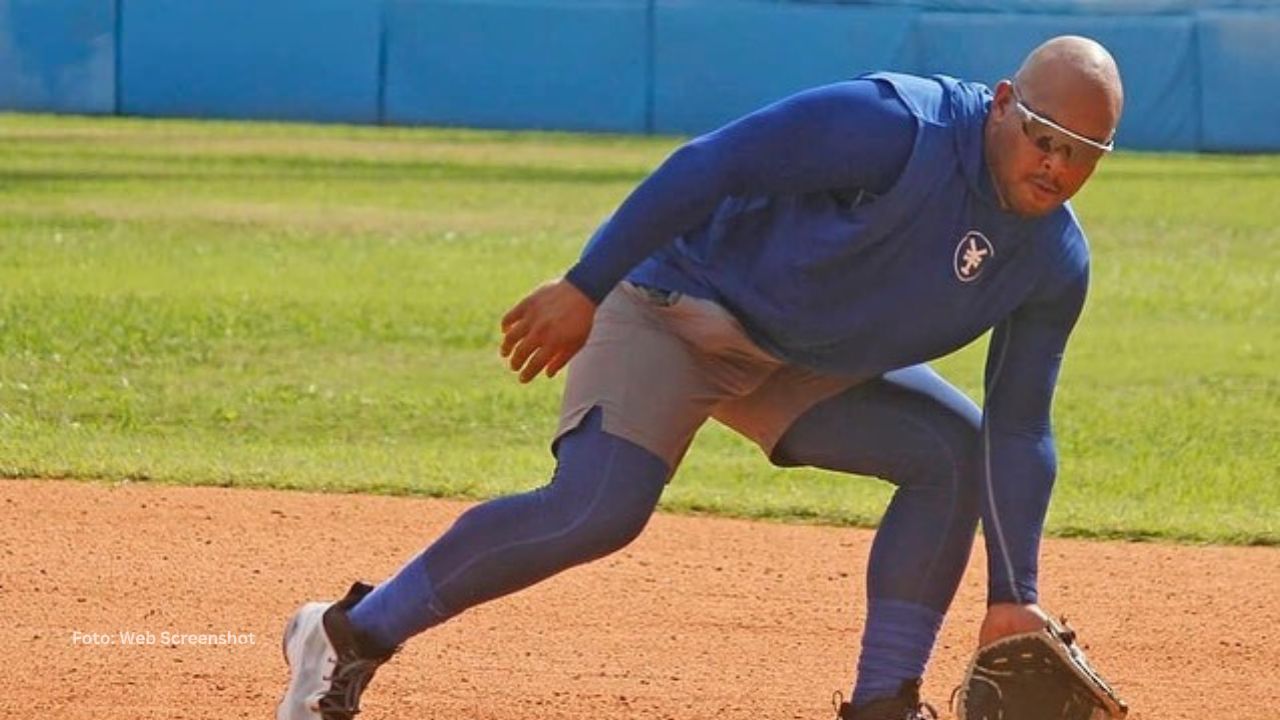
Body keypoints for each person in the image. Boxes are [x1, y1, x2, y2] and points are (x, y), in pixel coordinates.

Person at [277, 35, 1124, 720]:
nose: (1054, 164)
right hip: (678, 306)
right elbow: (715, 162)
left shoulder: (1053, 262)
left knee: (954, 452)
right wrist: (586, 283)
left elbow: (1020, 428)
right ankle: (350, 634)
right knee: (598, 508)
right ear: (1005, 104)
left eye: (1081, 154)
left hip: (800, 355)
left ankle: (882, 705)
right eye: (1042, 137)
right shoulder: (896, 127)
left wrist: (1016, 595)